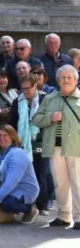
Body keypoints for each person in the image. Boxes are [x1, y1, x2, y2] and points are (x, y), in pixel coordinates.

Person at [31, 65, 80, 229]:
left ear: (75, 81)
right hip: (55, 147)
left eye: (69, 77)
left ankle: (79, 217)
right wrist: (50, 117)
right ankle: (64, 216)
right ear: (58, 80)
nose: (66, 80)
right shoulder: (50, 99)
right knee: (60, 183)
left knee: (78, 183)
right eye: (62, 78)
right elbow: (36, 119)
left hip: (76, 147)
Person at [9, 74, 50, 214]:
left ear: (35, 86)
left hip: (41, 141)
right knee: (25, 175)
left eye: (28, 88)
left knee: (41, 173)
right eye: (23, 88)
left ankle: (42, 205)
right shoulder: (17, 102)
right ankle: (28, 204)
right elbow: (12, 123)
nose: (25, 91)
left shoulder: (45, 100)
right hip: (23, 143)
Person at [0, 125, 41, 224]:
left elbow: (12, 181)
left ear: (12, 137)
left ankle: (30, 210)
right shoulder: (0, 153)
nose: (1, 138)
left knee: (5, 205)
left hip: (23, 189)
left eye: (5, 135)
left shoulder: (17, 154)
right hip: (6, 185)